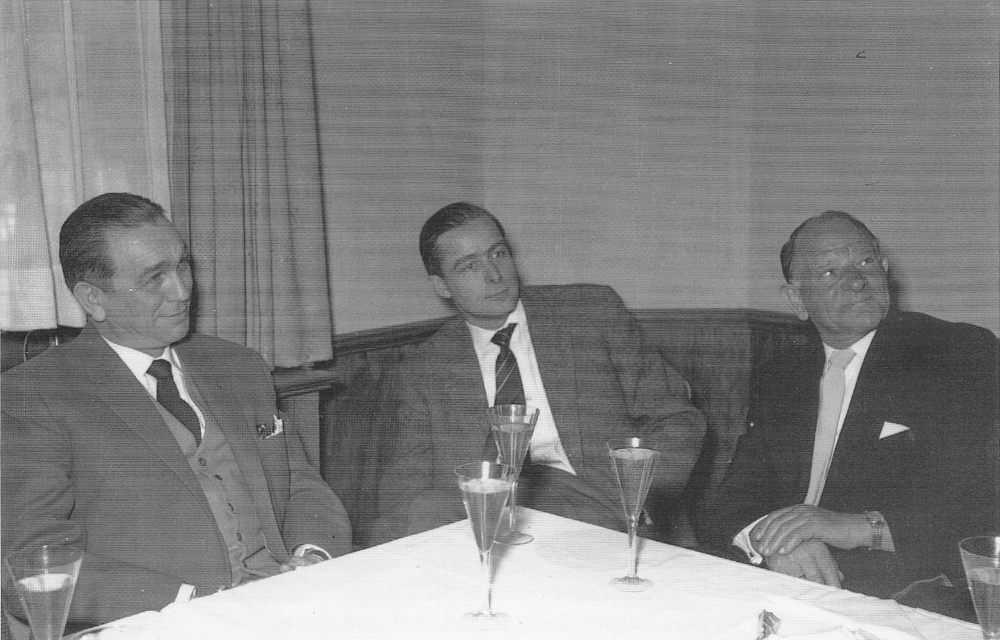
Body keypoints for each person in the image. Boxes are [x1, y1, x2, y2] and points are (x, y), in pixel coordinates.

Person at [1, 193, 352, 630]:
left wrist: (313, 556)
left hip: (290, 603)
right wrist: (191, 602)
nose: (183, 291)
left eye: (182, 265)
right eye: (155, 278)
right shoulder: (33, 397)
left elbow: (300, 484)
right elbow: (30, 563)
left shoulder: (237, 365)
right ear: (93, 299)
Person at [701, 211, 999, 614]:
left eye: (866, 262)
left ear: (885, 269)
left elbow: (976, 507)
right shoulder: (782, 372)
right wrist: (774, 542)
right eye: (829, 271)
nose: (858, 280)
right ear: (796, 299)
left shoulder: (952, 353)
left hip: (897, 595)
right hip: (781, 577)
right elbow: (732, 499)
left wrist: (853, 526)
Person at [373, 202, 706, 542]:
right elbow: (405, 485)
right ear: (442, 286)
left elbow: (676, 417)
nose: (494, 274)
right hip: (485, 515)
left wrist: (641, 494)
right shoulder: (424, 369)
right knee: (425, 511)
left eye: (498, 254)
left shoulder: (590, 314)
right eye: (470, 266)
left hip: (601, 504)